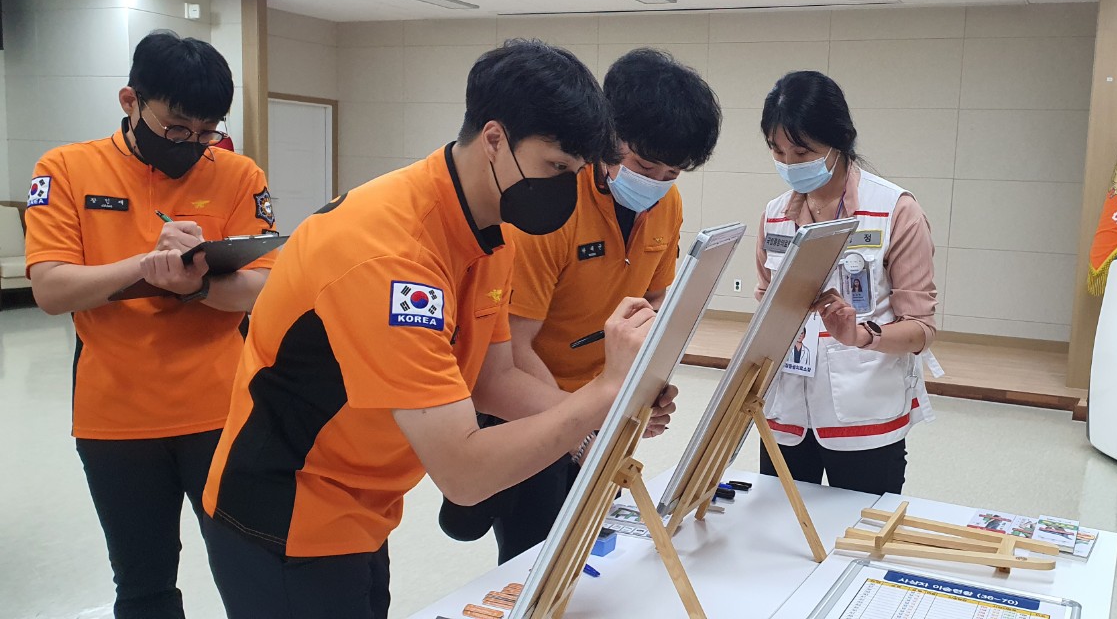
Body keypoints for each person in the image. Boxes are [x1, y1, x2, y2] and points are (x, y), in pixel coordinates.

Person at [198, 40, 676, 619]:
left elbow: (494, 380)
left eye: (577, 173)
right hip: (286, 510)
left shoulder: (488, 225)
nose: (568, 189)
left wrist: (612, 410)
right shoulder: (390, 256)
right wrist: (603, 395)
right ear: (495, 139)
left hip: (361, 504)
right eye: (556, 167)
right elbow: (464, 473)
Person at [22, 31, 275, 618]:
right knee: (143, 584)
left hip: (222, 410)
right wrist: (145, 266)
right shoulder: (66, 169)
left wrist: (198, 285)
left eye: (208, 131)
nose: (193, 144)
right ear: (130, 101)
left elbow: (266, 286)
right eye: (177, 128)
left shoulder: (239, 174)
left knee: (255, 572)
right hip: (116, 418)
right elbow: (52, 289)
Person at [438, 48, 721, 564]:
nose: (657, 182)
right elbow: (513, 352)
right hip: (529, 402)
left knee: (593, 548)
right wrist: (584, 428)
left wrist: (639, 390)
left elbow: (652, 301)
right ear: (608, 136)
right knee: (533, 556)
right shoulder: (552, 206)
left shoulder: (666, 203)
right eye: (644, 165)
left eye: (672, 172)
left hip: (600, 400)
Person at [754, 71, 939, 496]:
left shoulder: (894, 210)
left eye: (802, 151)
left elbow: (921, 330)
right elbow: (765, 306)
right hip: (786, 414)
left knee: (861, 528)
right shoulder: (774, 215)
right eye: (777, 150)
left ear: (839, 142)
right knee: (778, 524)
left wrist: (860, 335)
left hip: (865, 415)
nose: (789, 164)